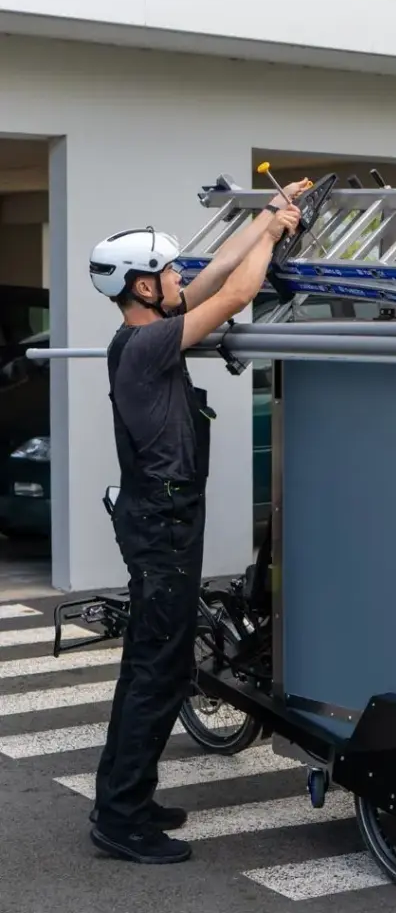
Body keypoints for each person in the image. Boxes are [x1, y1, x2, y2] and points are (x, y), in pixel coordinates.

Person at [84, 179, 307, 864]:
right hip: (163, 525)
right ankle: (120, 820)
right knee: (156, 669)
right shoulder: (146, 346)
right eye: (165, 272)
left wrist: (269, 215)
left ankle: (128, 798)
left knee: (153, 665)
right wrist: (271, 233)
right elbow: (236, 293)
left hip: (164, 518)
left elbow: (213, 275)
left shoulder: (150, 331)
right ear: (140, 289)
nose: (178, 276)